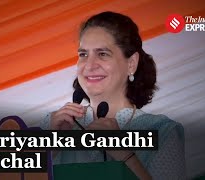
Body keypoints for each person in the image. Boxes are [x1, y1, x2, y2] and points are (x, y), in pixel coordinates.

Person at [40, 11, 186, 180]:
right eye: (83, 54)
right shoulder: (53, 125)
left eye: (102, 54)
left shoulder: (163, 131)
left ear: (131, 63)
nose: (89, 65)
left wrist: (124, 154)